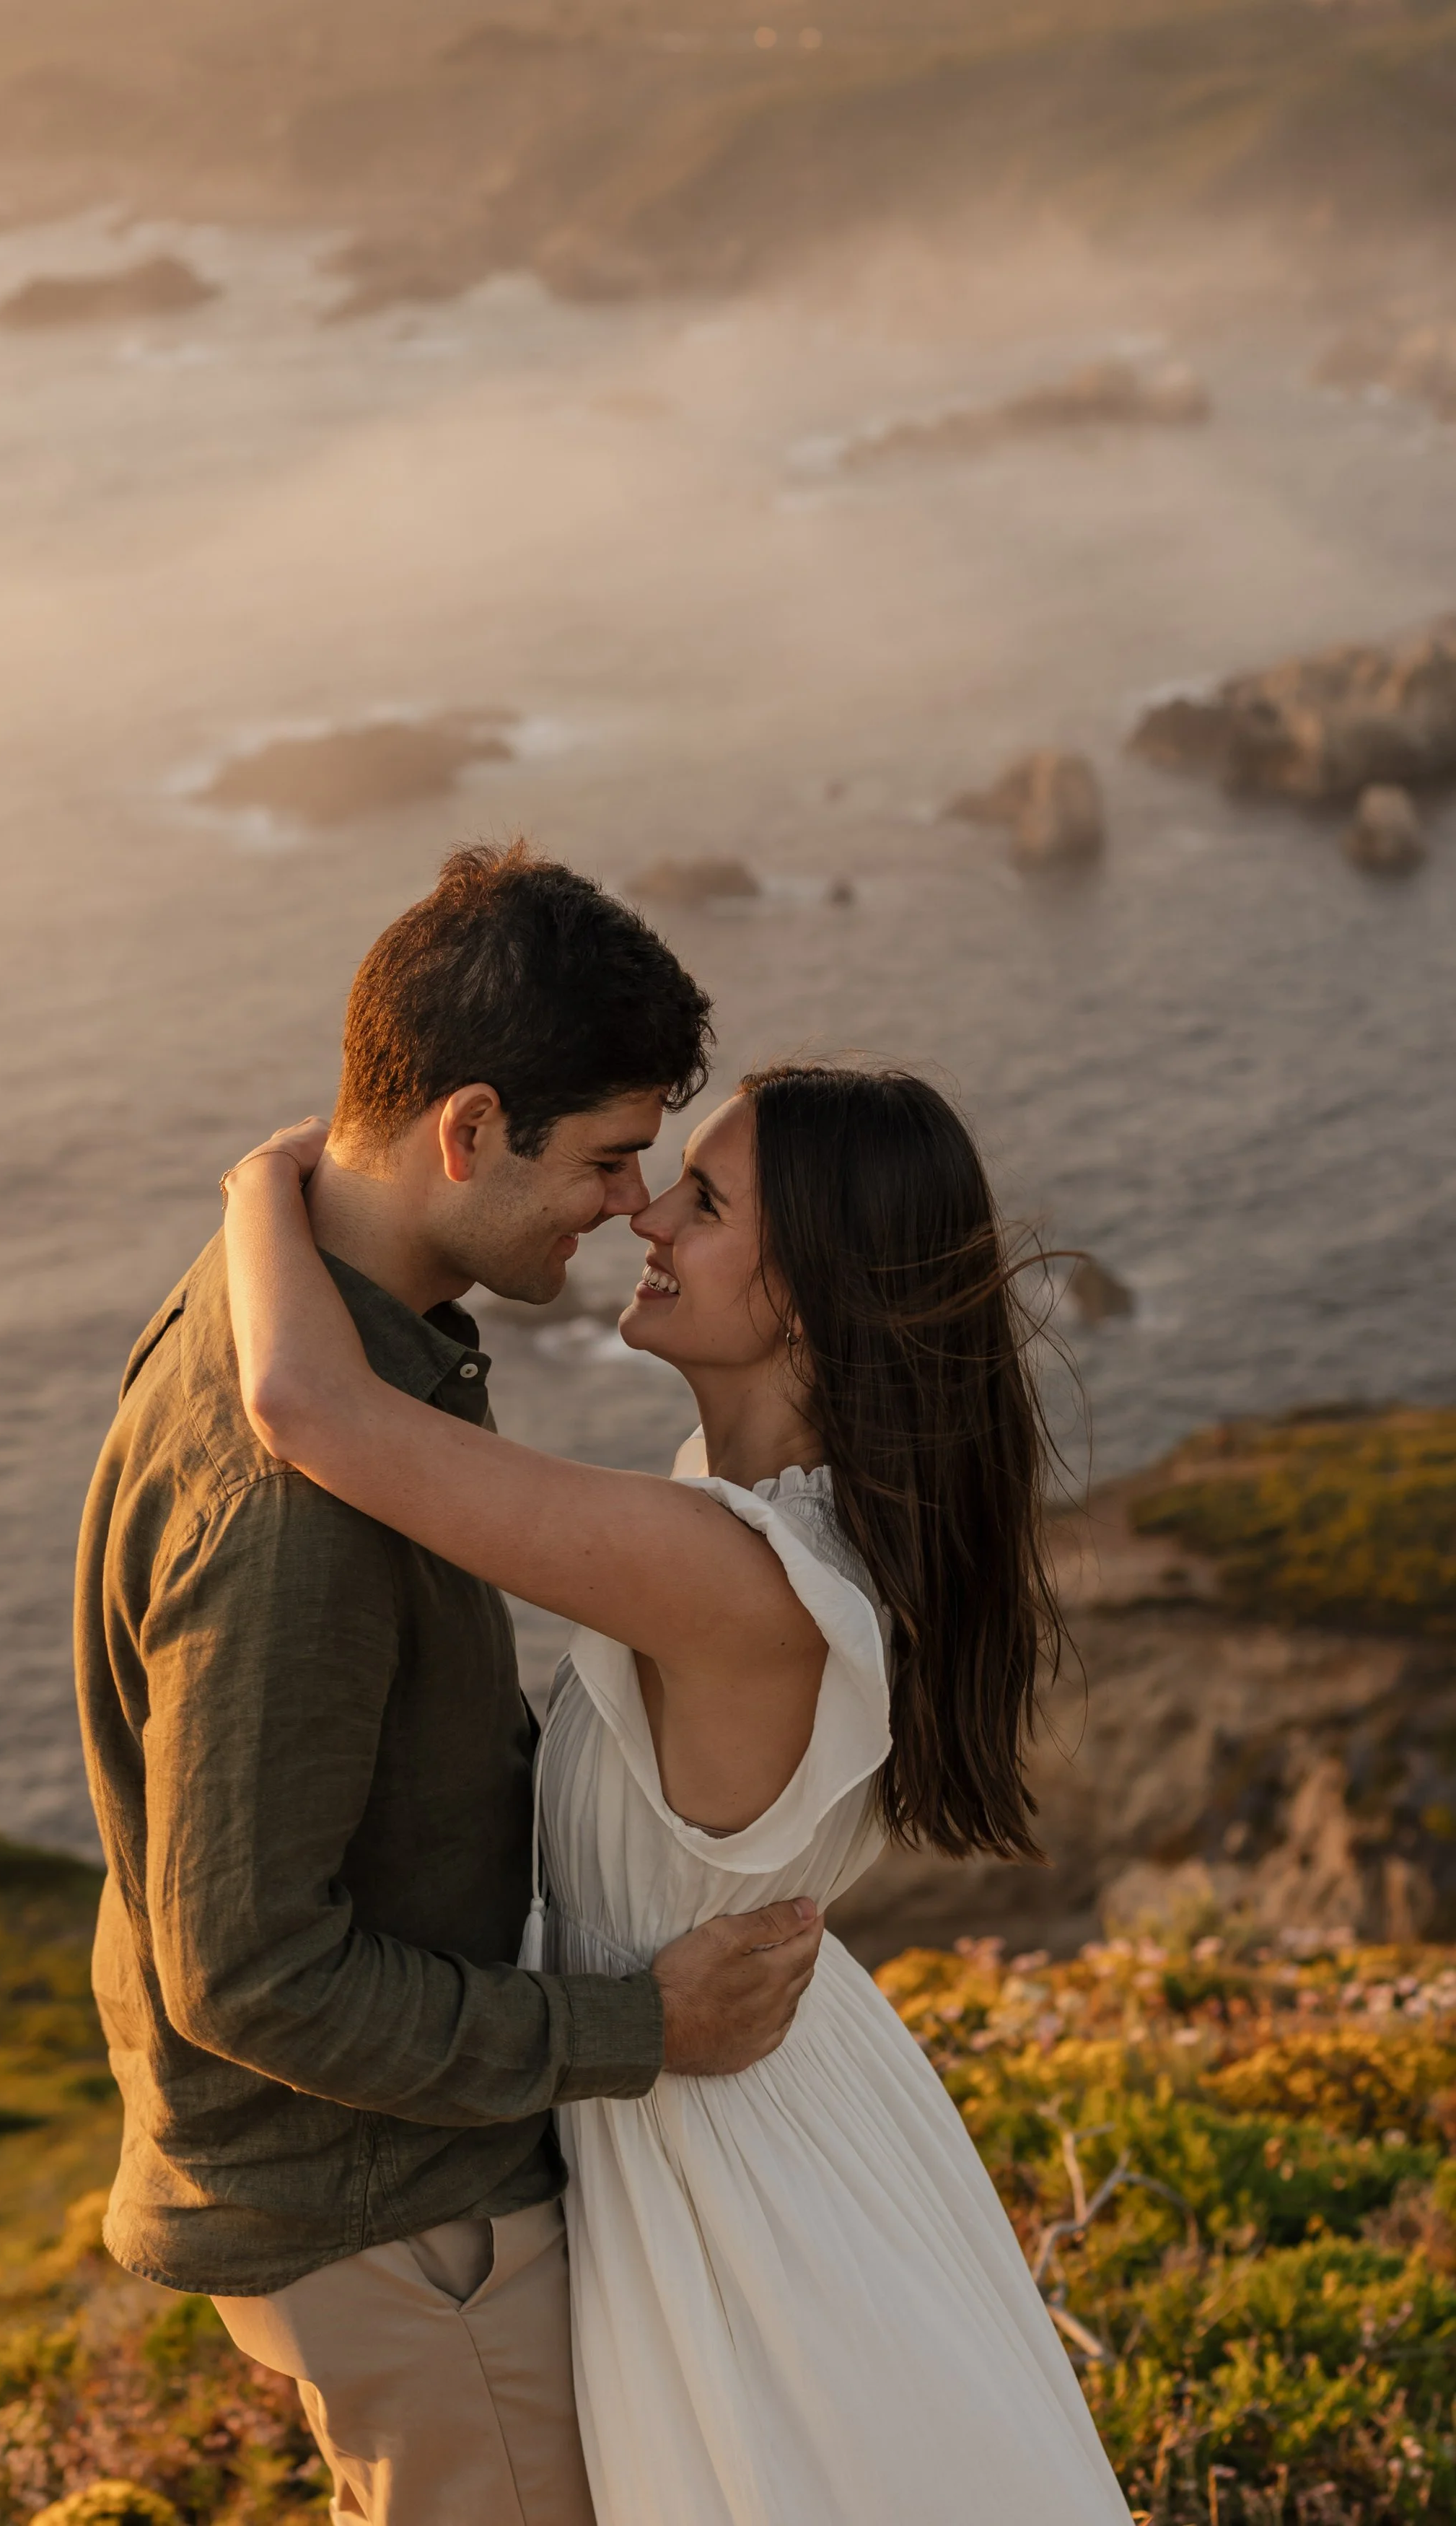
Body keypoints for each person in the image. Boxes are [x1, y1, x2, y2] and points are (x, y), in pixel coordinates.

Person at [220, 1056, 1137, 2526]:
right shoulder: (773, 1521)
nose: (643, 1216)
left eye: (702, 1202)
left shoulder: (728, 1574)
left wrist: (263, 1185)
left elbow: (304, 1408)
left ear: (810, 1293)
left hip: (731, 2178)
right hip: (770, 2106)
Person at [74, 844, 828, 2526]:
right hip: (399, 2217)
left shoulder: (321, 1329)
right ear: (467, 1128)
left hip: (402, 2189)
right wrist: (646, 2026)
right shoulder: (300, 1504)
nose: (631, 1209)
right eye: (615, 1158)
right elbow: (252, 1975)